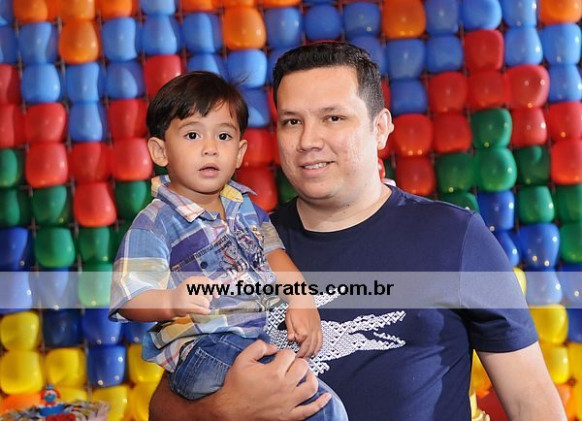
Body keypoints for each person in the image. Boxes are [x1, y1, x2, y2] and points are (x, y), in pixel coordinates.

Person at [148, 43, 566, 420]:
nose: (308, 140)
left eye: (333, 118)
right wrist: (223, 410)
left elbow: (531, 401)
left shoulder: (456, 237)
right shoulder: (235, 243)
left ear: (380, 128)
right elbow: (164, 403)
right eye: (292, 121)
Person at [109, 71, 347, 420]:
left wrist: (301, 299)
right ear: (160, 151)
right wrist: (170, 300)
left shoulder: (247, 209)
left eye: (223, 136)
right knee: (316, 403)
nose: (210, 148)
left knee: (301, 399)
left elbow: (273, 254)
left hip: (249, 341)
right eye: (192, 135)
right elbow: (129, 298)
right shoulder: (156, 222)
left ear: (239, 152)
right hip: (203, 350)